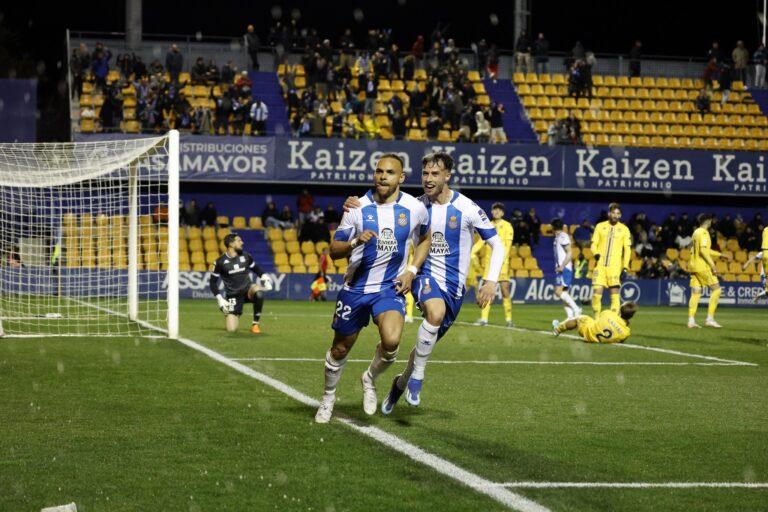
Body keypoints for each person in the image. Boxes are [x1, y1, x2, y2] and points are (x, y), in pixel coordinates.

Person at [342, 152, 504, 412]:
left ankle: (401, 382)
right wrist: (354, 203)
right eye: (425, 174)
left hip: (455, 288)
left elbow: (498, 244)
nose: (428, 179)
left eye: (435, 174)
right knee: (435, 311)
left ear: (448, 176)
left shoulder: (467, 208)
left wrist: (490, 281)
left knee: (422, 346)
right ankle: (417, 377)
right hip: (423, 276)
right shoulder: (416, 206)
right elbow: (381, 205)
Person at [314, 154, 432, 423]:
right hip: (355, 289)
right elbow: (333, 251)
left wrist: (411, 270)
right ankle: (328, 398)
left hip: (389, 289)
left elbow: (424, 239)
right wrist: (356, 241)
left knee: (391, 343)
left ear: (400, 178)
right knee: (340, 350)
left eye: (389, 172)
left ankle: (369, 378)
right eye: (379, 171)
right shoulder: (356, 207)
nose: (382, 176)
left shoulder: (414, 208)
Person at [209, 233, 273, 334]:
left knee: (259, 292)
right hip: (233, 296)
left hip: (248, 290)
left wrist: (264, 277)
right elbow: (212, 282)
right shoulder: (219, 262)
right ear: (231, 244)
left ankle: (255, 324)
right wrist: (220, 299)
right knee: (231, 329)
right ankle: (234, 312)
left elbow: (256, 269)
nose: (242, 243)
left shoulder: (246, 256)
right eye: (239, 241)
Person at [472, 202, 514, 327]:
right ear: (491, 212)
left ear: (503, 213)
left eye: (499, 210)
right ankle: (484, 319)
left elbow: (507, 247)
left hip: (503, 264)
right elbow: (481, 242)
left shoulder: (508, 226)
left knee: (505, 290)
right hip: (489, 265)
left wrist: (501, 262)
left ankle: (509, 320)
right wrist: (470, 252)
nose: (497, 212)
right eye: (495, 210)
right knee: (486, 290)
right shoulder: (488, 225)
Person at [687, 214, 731, 328]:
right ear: (708, 221)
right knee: (717, 290)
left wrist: (720, 254)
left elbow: (704, 249)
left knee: (696, 292)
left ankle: (691, 320)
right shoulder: (704, 233)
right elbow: (703, 251)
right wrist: (713, 265)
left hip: (693, 265)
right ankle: (710, 319)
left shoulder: (696, 232)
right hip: (703, 266)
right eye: (711, 220)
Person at [590, 203, 632, 315]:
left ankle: (613, 321)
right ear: (609, 213)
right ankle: (596, 320)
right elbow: (593, 244)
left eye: (617, 213)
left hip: (615, 267)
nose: (615, 215)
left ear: (620, 215)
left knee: (614, 296)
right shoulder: (600, 226)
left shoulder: (624, 229)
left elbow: (627, 250)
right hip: (600, 266)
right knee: (596, 295)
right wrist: (596, 254)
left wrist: (625, 268)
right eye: (613, 213)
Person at [552, 301, 637, 344]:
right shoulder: (626, 332)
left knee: (579, 319)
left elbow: (600, 319)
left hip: (588, 332)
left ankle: (557, 329)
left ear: (621, 309)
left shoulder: (609, 313)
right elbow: (620, 340)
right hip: (600, 340)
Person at [552, 219, 582, 319]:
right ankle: (570, 317)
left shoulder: (563, 236)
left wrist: (562, 266)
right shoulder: (558, 237)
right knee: (564, 293)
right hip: (561, 268)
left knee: (558, 291)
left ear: (553, 227)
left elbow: (569, 252)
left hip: (564, 268)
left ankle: (576, 308)